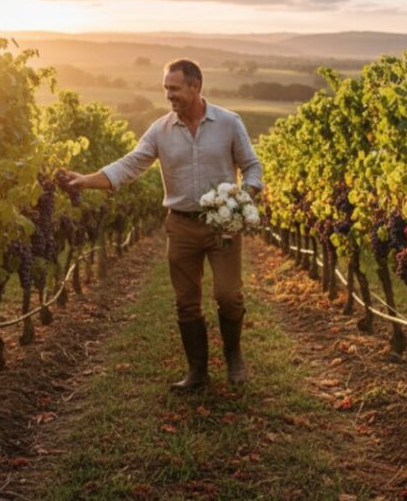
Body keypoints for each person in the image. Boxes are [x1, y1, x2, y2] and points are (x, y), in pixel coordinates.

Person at [65, 59, 263, 391]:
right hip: (181, 225)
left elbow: (252, 166)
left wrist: (245, 198)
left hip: (224, 227)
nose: (169, 95)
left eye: (175, 88)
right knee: (186, 301)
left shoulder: (229, 123)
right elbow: (129, 165)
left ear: (195, 86)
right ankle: (197, 372)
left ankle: (234, 356)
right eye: (165, 88)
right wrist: (85, 181)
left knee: (228, 295)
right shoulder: (160, 130)